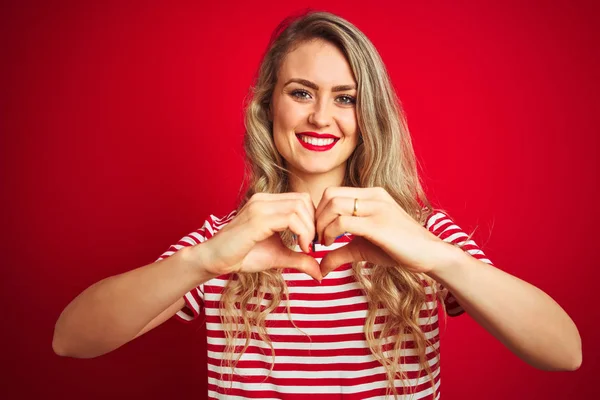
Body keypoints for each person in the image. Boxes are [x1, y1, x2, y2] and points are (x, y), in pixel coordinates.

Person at [52, 10, 582, 400]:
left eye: (345, 97)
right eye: (301, 93)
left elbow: (565, 353)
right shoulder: (225, 241)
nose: (321, 117)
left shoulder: (417, 233)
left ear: (367, 112)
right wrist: (204, 260)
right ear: (269, 105)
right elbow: (71, 341)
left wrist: (439, 257)